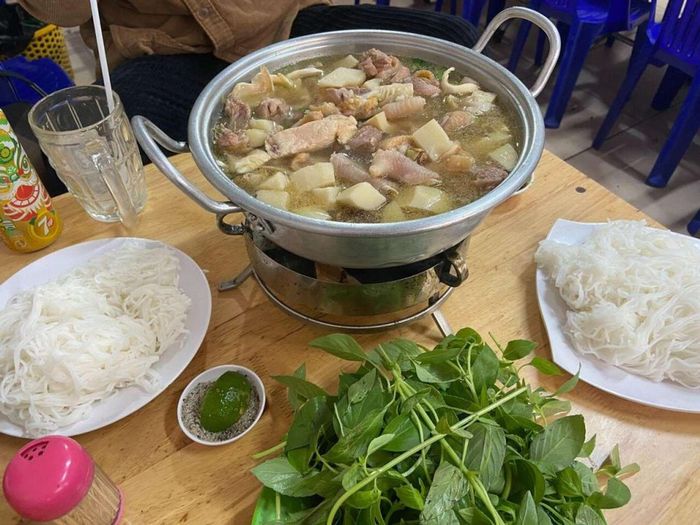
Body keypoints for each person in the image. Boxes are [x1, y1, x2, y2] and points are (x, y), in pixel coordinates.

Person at [17, 1, 479, 144]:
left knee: (453, 38)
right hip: (171, 50)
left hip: (285, 22)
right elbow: (62, 9)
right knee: (122, 121)